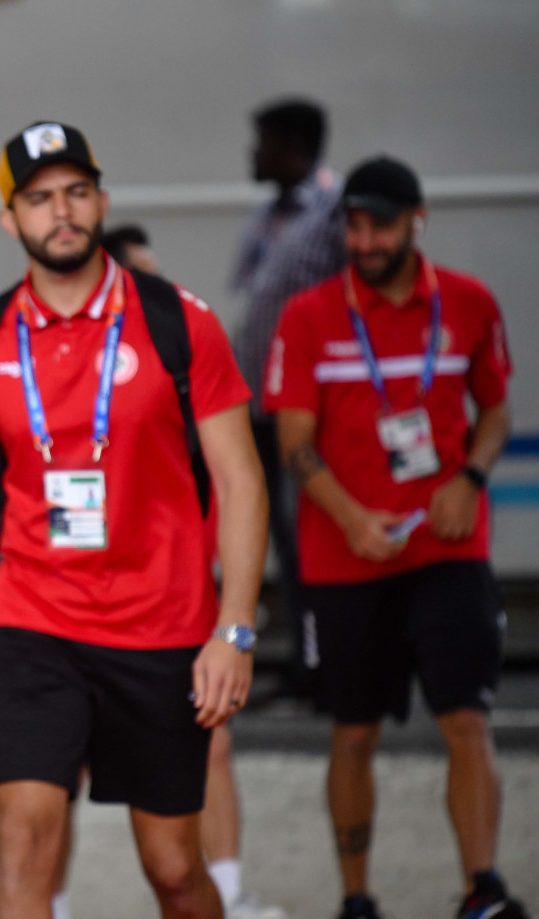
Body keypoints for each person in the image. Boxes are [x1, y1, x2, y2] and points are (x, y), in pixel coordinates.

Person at [0, 122, 267, 919]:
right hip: (36, 622)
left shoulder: (174, 319)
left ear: (102, 203)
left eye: (76, 192)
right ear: (11, 219)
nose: (61, 211)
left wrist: (234, 628)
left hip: (164, 627)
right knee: (25, 837)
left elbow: (239, 477)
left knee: (174, 870)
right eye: (40, 197)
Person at [265, 155, 533, 919]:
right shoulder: (309, 315)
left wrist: (471, 479)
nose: (364, 239)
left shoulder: (468, 304)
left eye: (379, 223)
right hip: (346, 562)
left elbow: (496, 411)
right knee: (353, 733)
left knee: (467, 720)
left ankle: (480, 892)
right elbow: (294, 443)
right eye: (352, 224)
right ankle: (357, 910)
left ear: (417, 220)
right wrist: (350, 519)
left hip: (449, 549)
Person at [45, 225, 292, 919]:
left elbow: (233, 485)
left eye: (156, 283)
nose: (152, 301)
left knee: (210, 749)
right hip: (65, 613)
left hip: (171, 609)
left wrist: (232, 620)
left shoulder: (178, 357)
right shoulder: (45, 369)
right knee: (53, 788)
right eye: (135, 283)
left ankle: (228, 900)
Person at [232, 98, 346, 699]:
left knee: (311, 536)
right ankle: (307, 662)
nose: (256, 154)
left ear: (296, 147)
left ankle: (325, 663)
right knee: (281, 534)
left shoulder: (332, 213)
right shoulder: (267, 216)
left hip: (307, 409)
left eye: (266, 142)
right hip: (260, 406)